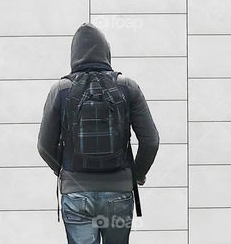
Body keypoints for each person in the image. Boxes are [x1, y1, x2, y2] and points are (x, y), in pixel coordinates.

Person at [37, 22, 160, 244]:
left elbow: (44, 146)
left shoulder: (61, 90)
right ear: (107, 53)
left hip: (76, 195)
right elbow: (150, 141)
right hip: (118, 193)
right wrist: (137, 174)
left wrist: (65, 171)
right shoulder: (127, 87)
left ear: (74, 55)